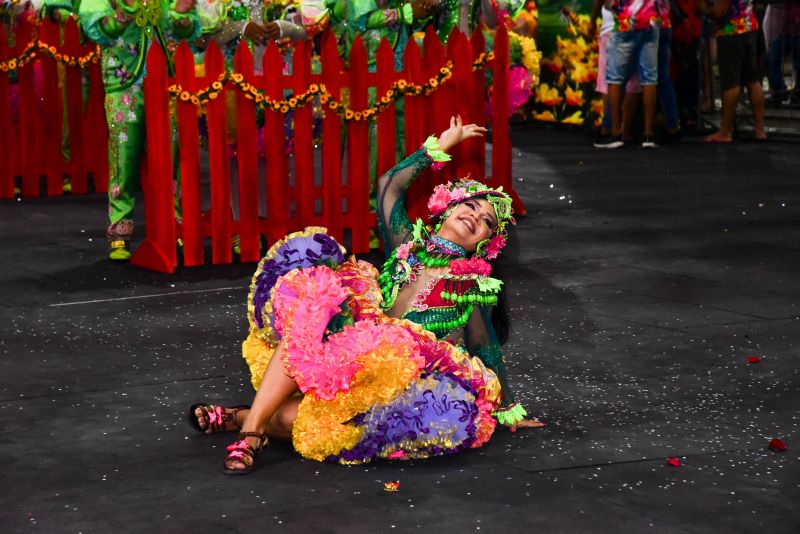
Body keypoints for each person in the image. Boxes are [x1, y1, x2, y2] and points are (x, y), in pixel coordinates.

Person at [188, 116, 544, 474]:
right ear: (448, 207)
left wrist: (510, 409)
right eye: (471, 205)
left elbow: (487, 350)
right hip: (350, 345)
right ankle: (251, 435)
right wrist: (437, 148)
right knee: (312, 310)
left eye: (486, 221)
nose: (475, 216)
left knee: (320, 421)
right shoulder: (407, 244)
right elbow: (388, 187)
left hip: (388, 382)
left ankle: (243, 417)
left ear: (485, 243)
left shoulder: (470, 287)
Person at [79, 0, 202, 260]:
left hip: (166, 82)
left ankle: (174, 225)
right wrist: (126, 11)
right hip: (123, 83)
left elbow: (189, 30)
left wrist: (180, 15)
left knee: (171, 158)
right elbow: (95, 29)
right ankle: (120, 230)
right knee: (124, 158)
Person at [594, 0, 661, 149]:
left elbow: (609, 3)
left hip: (626, 23)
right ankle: (648, 135)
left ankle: (616, 133)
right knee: (649, 79)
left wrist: (610, 7)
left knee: (614, 79)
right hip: (650, 23)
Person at [697, 0, 766, 142]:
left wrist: (701, 7)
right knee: (752, 80)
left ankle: (725, 131)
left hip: (731, 29)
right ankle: (760, 129)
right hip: (749, 25)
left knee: (731, 83)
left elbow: (719, 12)